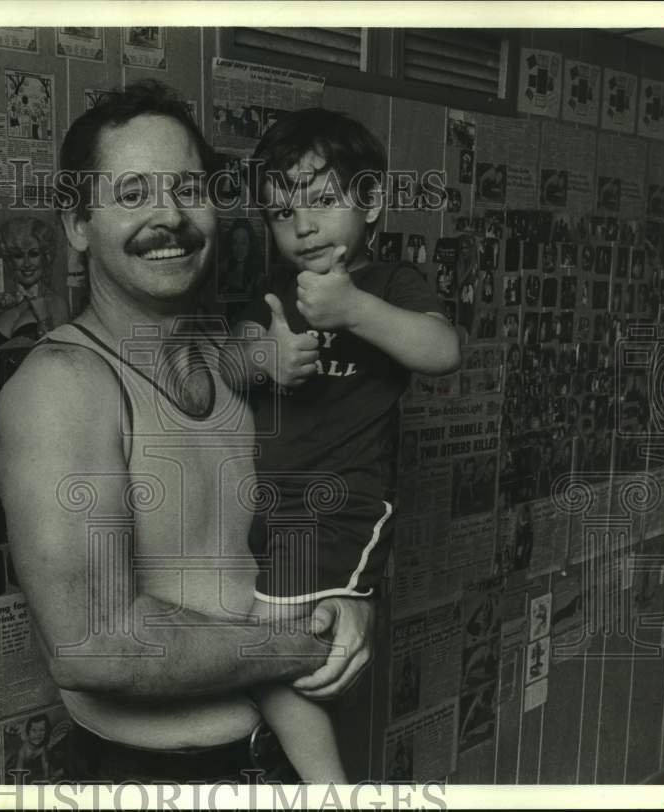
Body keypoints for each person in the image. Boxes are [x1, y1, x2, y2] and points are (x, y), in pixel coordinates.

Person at [0, 81, 375, 784]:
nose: (167, 215)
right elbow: (93, 644)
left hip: (284, 757)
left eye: (187, 188)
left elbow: (302, 526)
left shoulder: (242, 356)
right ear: (78, 224)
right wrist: (300, 648)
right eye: (132, 194)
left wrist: (347, 606)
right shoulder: (63, 387)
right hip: (158, 777)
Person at [228, 107, 460, 781]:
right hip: (270, 507)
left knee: (262, 649)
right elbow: (234, 350)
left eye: (323, 202)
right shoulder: (274, 290)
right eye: (279, 213)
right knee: (285, 653)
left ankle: (330, 789)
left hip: (336, 509)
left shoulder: (389, 284)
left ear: (372, 202)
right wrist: (263, 353)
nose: (302, 226)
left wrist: (355, 308)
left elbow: (442, 350)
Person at [0, 216, 69, 344]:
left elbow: (56, 354)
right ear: (10, 261)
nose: (26, 264)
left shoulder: (56, 304)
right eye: (18, 255)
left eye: (34, 254)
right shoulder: (5, 301)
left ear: (46, 257)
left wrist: (43, 318)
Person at [10, 715, 51, 782]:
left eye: (42, 730)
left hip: (29, 769)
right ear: (28, 732)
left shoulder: (42, 747)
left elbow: (45, 766)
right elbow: (18, 774)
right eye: (34, 730)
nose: (38, 734)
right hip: (13, 768)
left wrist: (47, 781)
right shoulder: (23, 751)